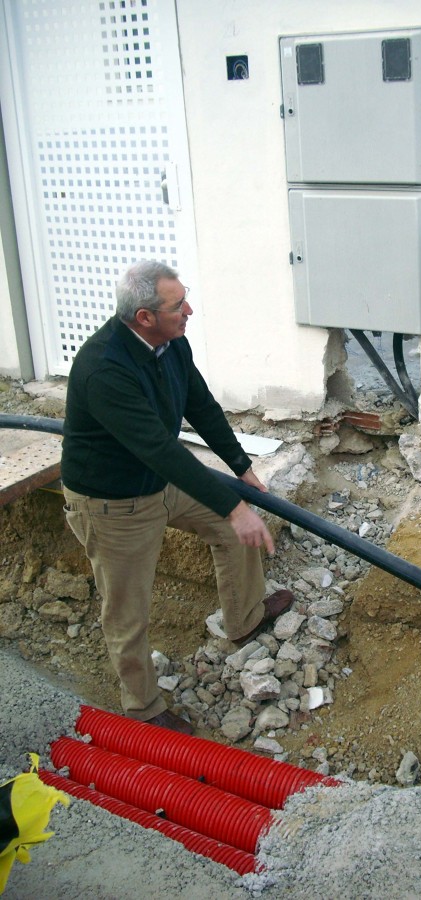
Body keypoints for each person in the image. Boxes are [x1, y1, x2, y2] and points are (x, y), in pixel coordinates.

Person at [60, 260, 294, 734]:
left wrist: (242, 469)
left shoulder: (170, 343)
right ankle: (144, 708)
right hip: (113, 505)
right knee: (127, 612)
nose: (189, 309)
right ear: (144, 317)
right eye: (177, 304)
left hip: (158, 481)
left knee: (233, 534)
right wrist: (234, 507)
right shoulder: (104, 369)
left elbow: (199, 405)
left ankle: (243, 619)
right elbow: (161, 448)